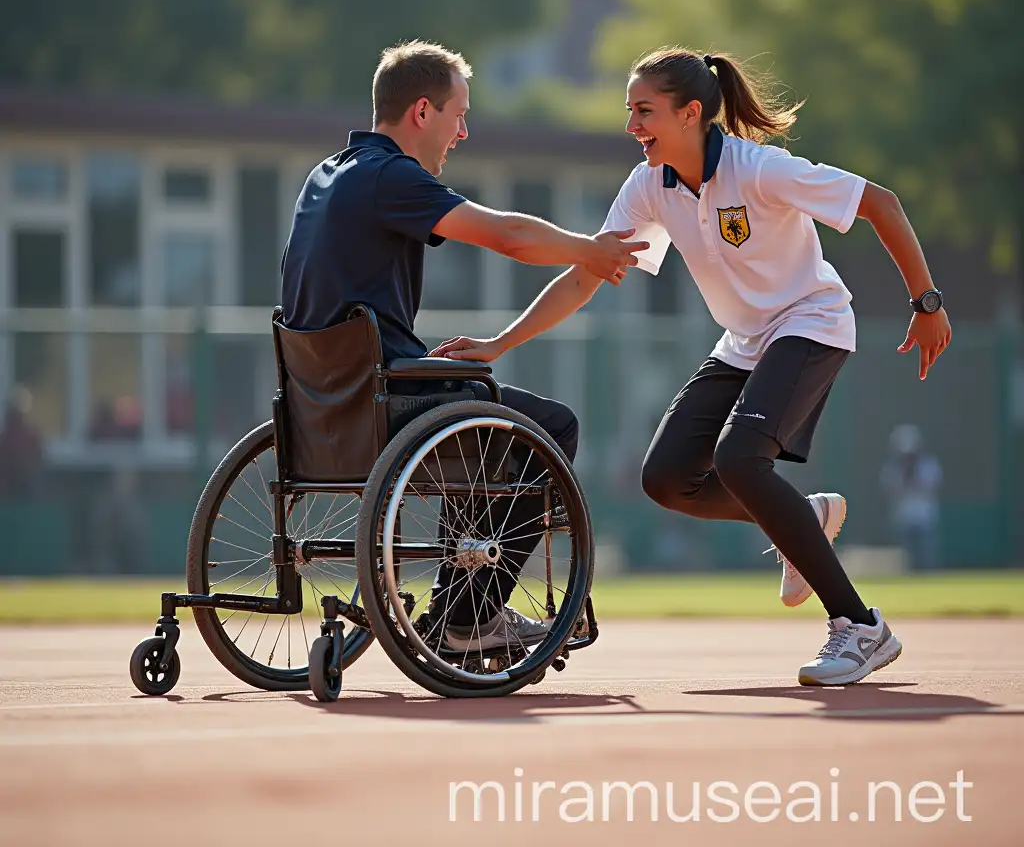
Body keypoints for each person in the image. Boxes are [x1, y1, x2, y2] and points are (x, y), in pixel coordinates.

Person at [429, 46, 952, 686]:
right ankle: (803, 519)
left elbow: (883, 204)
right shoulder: (651, 184)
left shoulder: (760, 169)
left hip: (811, 323)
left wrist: (926, 303)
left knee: (738, 460)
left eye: (644, 111)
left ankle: (860, 626)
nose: (632, 127)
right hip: (742, 341)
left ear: (692, 113)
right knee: (667, 479)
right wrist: (499, 343)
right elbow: (589, 274)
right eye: (630, 112)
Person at [280, 39, 648, 652]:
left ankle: (459, 609)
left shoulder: (327, 174)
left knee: (476, 412)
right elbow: (504, 234)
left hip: (319, 399)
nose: (464, 132)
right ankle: (468, 620)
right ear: (422, 112)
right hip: (388, 394)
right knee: (549, 426)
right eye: (458, 114)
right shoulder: (389, 175)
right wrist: (590, 249)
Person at [881, 424, 943, 571]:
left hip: (925, 517)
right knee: (906, 559)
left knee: (927, 556)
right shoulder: (893, 469)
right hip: (903, 517)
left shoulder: (928, 466)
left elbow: (934, 486)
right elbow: (889, 490)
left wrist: (914, 478)